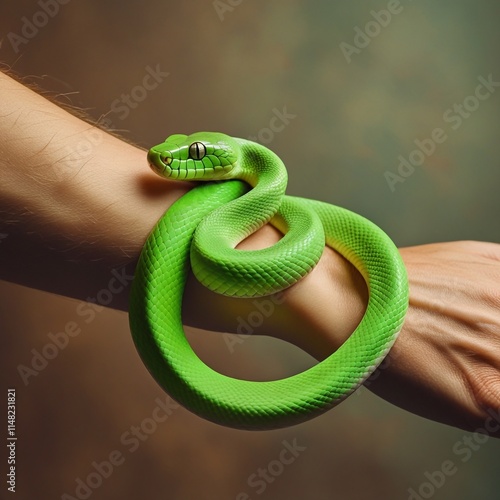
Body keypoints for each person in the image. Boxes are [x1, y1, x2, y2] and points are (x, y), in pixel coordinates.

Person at [1, 69, 499, 435]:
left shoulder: (270, 199)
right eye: (185, 147)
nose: (167, 156)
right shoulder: (262, 201)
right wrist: (333, 293)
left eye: (194, 155)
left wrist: (364, 289)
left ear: (236, 162)